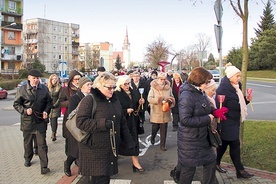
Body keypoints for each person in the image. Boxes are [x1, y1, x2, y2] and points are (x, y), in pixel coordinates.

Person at [76, 72, 135, 184]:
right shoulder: (89, 100)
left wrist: (129, 142)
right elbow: (80, 122)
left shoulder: (114, 100)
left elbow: (122, 122)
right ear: (99, 86)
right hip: (93, 150)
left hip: (109, 149)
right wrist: (102, 124)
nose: (112, 90)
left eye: (113, 87)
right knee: (99, 180)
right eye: (109, 87)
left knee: (105, 179)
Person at [177, 67, 219, 184]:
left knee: (210, 162)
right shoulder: (187, 95)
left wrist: (214, 112)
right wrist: (207, 118)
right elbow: (185, 120)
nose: (208, 84)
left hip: (202, 138)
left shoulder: (199, 92)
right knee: (188, 170)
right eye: (206, 82)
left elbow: (205, 108)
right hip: (190, 140)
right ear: (198, 80)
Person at [215, 63, 254, 179]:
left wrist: (246, 100)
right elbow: (218, 108)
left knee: (223, 145)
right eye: (237, 76)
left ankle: (215, 163)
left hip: (234, 121)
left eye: (239, 76)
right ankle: (240, 171)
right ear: (230, 76)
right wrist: (219, 125)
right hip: (226, 122)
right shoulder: (223, 89)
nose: (239, 78)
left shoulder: (237, 87)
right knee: (234, 144)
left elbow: (238, 103)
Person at [13, 69, 52, 174]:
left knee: (42, 144)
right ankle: (27, 158)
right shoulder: (22, 89)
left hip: (40, 121)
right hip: (28, 121)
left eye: (37, 78)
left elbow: (49, 102)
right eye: (34, 78)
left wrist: (46, 111)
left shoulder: (44, 89)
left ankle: (44, 166)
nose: (36, 80)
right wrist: (25, 111)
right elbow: (16, 104)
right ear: (29, 78)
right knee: (27, 143)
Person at [115, 75, 145, 172]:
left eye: (128, 83)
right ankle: (113, 160)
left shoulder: (133, 92)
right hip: (123, 122)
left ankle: (135, 163)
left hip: (133, 121)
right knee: (119, 141)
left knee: (134, 141)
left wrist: (140, 103)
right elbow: (114, 110)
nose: (127, 86)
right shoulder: (117, 94)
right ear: (120, 84)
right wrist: (125, 111)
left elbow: (136, 106)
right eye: (125, 84)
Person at [64, 76, 92, 177]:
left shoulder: (92, 96)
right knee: (74, 151)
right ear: (81, 86)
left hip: (88, 127)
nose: (90, 86)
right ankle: (67, 164)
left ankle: (86, 172)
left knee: (85, 151)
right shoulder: (75, 98)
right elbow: (71, 114)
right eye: (88, 84)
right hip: (77, 128)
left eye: (91, 84)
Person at [148, 72, 175, 151]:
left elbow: (172, 96)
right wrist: (158, 100)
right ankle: (153, 137)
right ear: (158, 79)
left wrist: (170, 101)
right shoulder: (153, 88)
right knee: (155, 127)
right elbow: (149, 98)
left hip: (165, 110)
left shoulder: (168, 88)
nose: (163, 81)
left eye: (164, 79)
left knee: (164, 128)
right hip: (156, 111)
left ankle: (162, 145)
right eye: (161, 79)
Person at [59, 70, 82, 157]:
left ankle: (77, 157)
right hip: (69, 116)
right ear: (71, 80)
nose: (77, 81)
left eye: (79, 79)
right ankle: (69, 156)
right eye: (76, 79)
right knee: (69, 138)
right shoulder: (66, 90)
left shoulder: (82, 88)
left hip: (80, 116)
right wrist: (71, 102)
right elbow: (60, 103)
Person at [47, 74, 61, 141]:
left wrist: (55, 105)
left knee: (54, 119)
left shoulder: (59, 87)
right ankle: (53, 131)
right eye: (53, 79)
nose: (54, 80)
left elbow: (60, 98)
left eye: (55, 78)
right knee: (51, 119)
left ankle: (53, 133)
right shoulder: (48, 87)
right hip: (49, 106)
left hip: (56, 106)